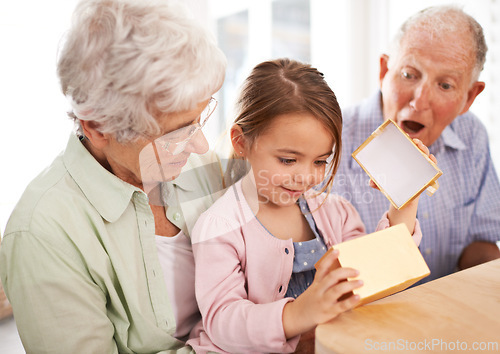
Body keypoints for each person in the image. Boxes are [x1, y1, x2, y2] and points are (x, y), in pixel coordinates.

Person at [0, 0, 226, 352]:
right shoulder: (42, 232)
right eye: (176, 132)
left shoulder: (200, 166)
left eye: (201, 117)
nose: (200, 145)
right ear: (98, 127)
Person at [186, 58, 430, 353]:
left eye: (320, 161)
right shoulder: (220, 226)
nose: (305, 177)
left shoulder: (336, 213)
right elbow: (222, 322)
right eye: (288, 160)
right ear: (241, 142)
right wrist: (298, 314)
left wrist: (407, 195)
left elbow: (374, 277)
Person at [334, 5, 500, 284]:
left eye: (445, 85)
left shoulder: (472, 135)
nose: (420, 101)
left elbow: (481, 247)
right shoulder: (328, 142)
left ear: (469, 98)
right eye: (409, 75)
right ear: (385, 70)